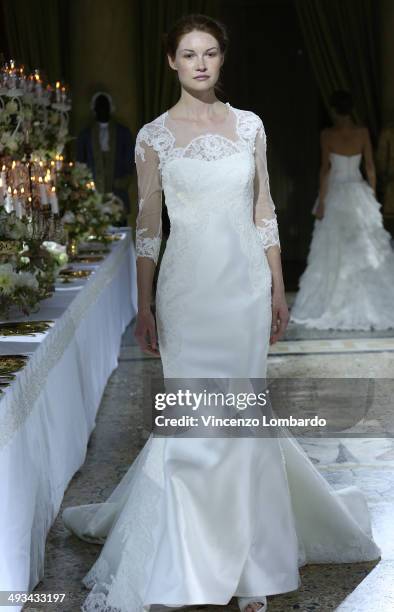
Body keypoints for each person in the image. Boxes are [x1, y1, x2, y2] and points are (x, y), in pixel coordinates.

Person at [62, 19, 381, 612]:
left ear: (221, 60)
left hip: (243, 293)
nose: (201, 63)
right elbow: (149, 226)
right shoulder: (154, 137)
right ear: (172, 63)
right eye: (189, 54)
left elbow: (264, 211)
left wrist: (278, 288)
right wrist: (146, 302)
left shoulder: (249, 126)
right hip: (187, 293)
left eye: (210, 53)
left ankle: (250, 566)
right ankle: (188, 561)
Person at [290, 90, 394, 330]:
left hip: (336, 193)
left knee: (334, 248)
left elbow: (325, 169)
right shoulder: (362, 133)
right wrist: (372, 195)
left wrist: (323, 202)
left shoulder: (327, 135)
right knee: (362, 248)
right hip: (358, 193)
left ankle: (333, 300)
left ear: (335, 110)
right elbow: (369, 167)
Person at [76, 91, 135, 223]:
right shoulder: (85, 134)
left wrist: (124, 180)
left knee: (119, 227)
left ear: (110, 107)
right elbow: (80, 162)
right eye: (99, 105)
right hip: (94, 191)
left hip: (117, 190)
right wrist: (85, 185)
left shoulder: (123, 132)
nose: (102, 108)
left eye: (105, 105)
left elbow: (130, 159)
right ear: (94, 108)